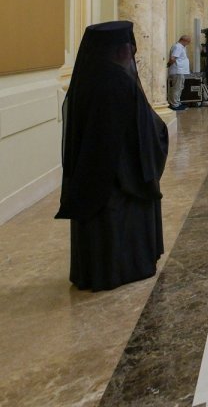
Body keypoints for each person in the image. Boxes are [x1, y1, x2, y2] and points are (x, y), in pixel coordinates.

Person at [55, 21, 169, 291]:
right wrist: (159, 131)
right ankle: (124, 268)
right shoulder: (119, 81)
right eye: (129, 47)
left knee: (99, 224)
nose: (132, 52)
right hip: (123, 172)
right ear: (120, 50)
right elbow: (140, 126)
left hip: (93, 169)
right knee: (120, 221)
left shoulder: (87, 77)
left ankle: (96, 271)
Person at [168, 34, 191, 110]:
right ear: (183, 40)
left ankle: (177, 102)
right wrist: (169, 65)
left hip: (180, 71)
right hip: (178, 71)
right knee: (177, 88)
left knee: (179, 87)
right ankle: (175, 104)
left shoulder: (181, 47)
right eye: (188, 42)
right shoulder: (178, 47)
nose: (188, 44)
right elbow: (173, 58)